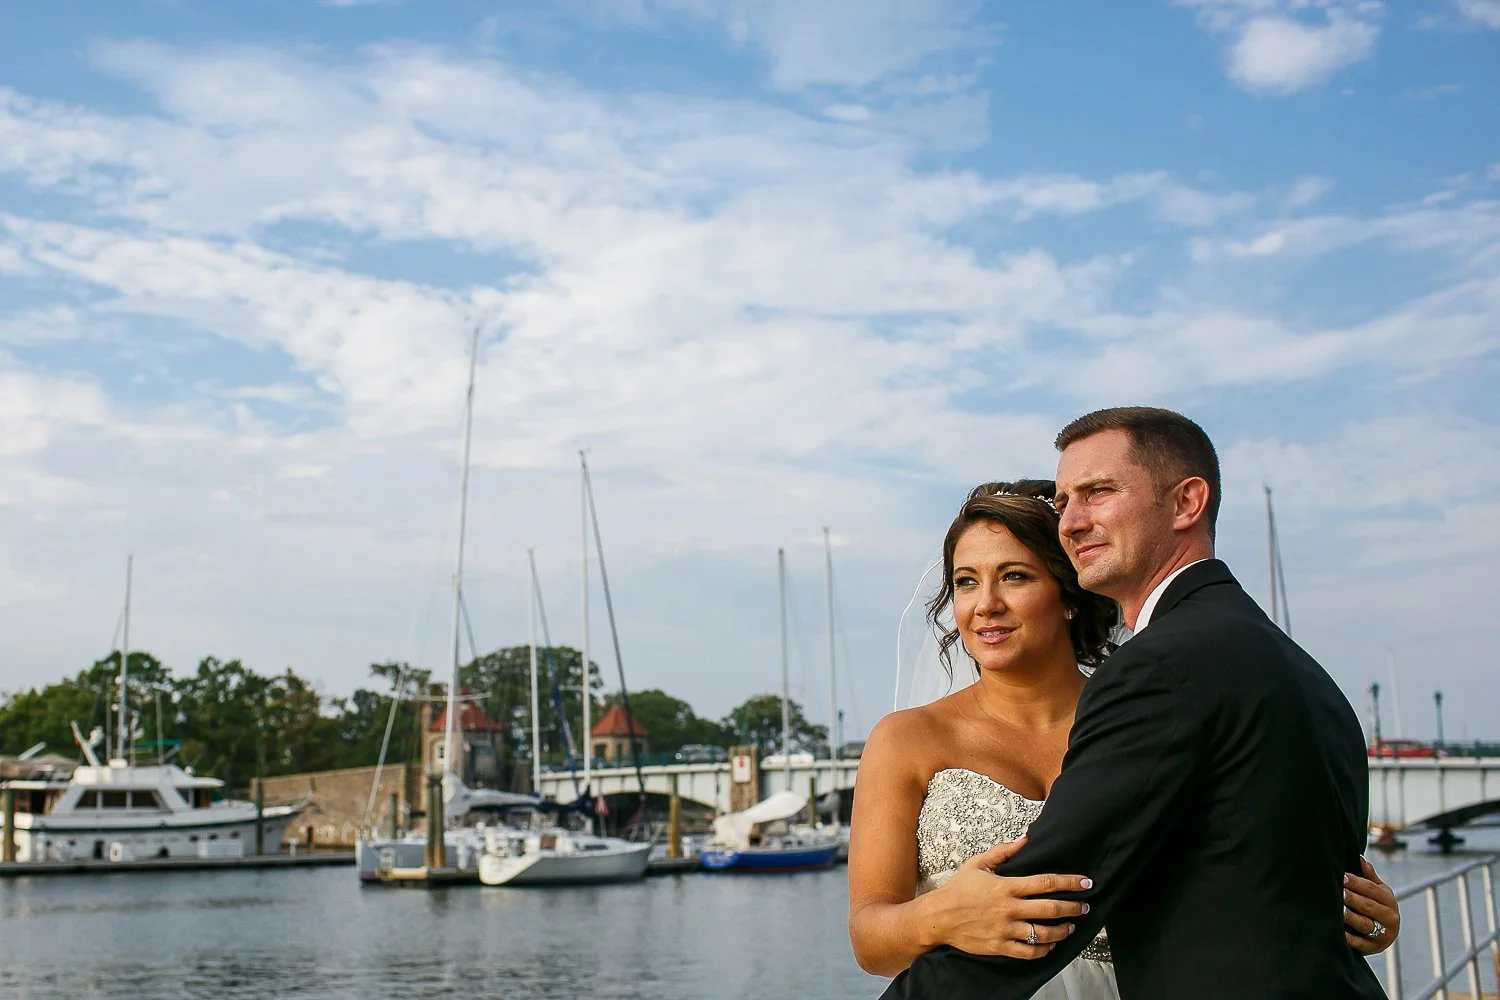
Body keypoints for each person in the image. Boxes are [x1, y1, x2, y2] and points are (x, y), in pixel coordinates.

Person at [858, 407, 1394, 1000]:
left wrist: (1358, 914)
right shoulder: (1296, 668)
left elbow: (1067, 894)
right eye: (964, 582)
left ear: (1066, 594)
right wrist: (942, 916)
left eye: (1014, 576)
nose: (985, 604)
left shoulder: (1153, 683)